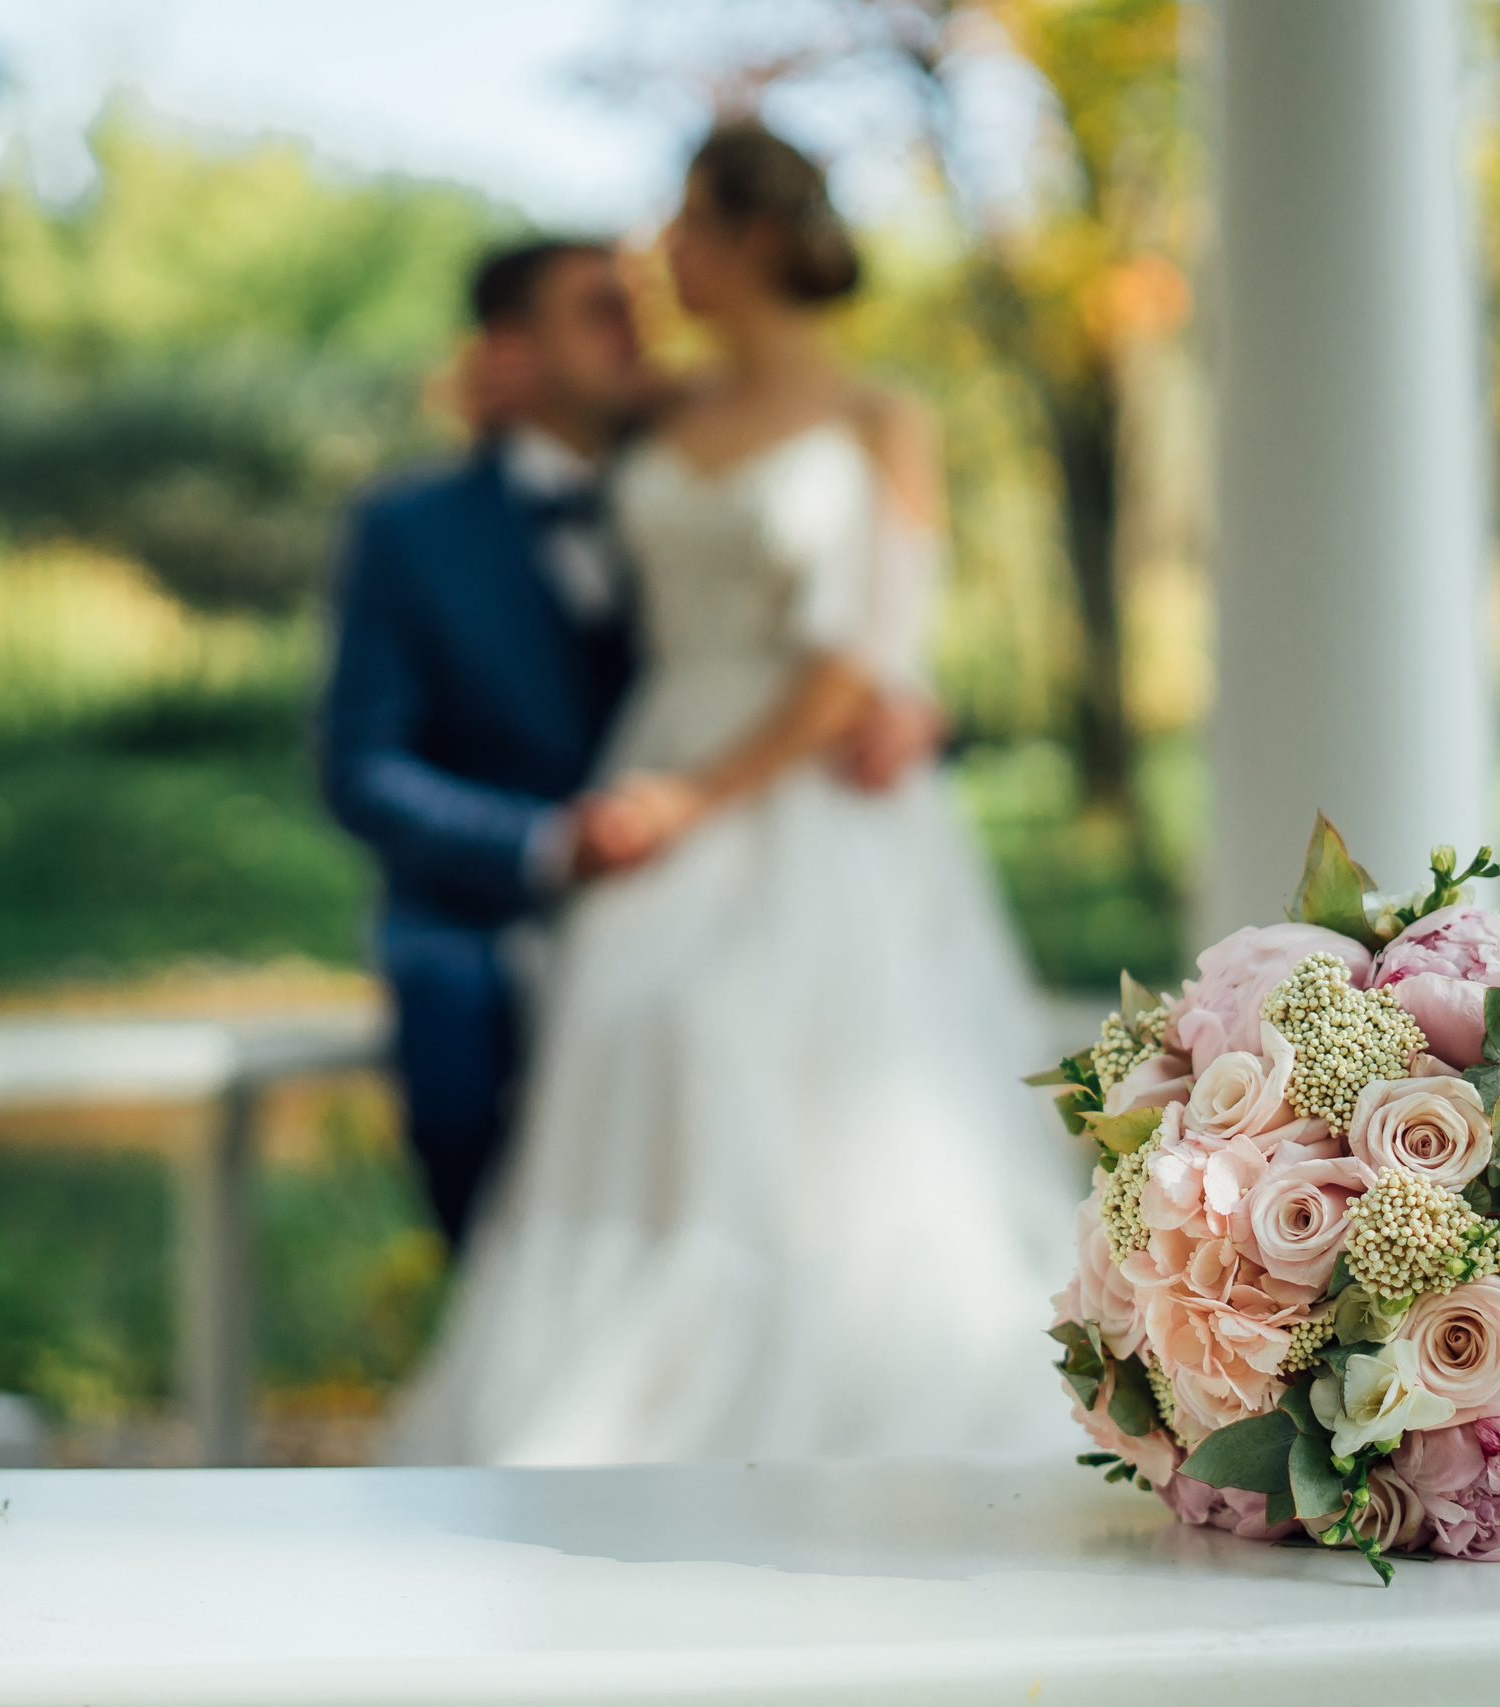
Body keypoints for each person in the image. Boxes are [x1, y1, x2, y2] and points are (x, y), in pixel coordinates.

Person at [383, 123, 1073, 1465]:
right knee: (637, 1063)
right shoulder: (661, 408)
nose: (667, 255)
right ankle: (629, 1406)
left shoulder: (883, 417)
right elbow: (511, 421)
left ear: (754, 238)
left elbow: (866, 650)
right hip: (655, 749)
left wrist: (722, 784)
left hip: (804, 795)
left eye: (688, 225)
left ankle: (819, 1403)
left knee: (802, 1082)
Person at [319, 237, 939, 1255]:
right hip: (498, 902)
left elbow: (821, 640)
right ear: (511, 353)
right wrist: (550, 844)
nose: (638, 333)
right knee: (469, 1016)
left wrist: (914, 707)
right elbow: (360, 770)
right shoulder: (407, 528)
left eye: (640, 308)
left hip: (719, 855)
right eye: (600, 310)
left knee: (757, 1029)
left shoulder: (688, 476)